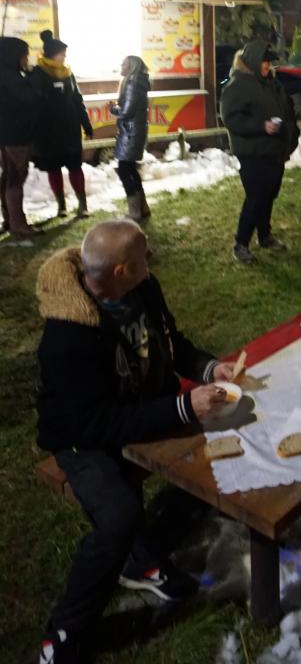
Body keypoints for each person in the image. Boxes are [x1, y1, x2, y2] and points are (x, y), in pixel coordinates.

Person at [36, 219, 236, 664]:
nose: (154, 257)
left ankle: (141, 561)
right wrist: (181, 409)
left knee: (230, 439)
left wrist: (207, 368)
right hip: (82, 435)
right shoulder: (67, 336)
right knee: (119, 517)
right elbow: (94, 421)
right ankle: (64, 632)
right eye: (145, 254)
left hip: (139, 407)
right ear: (122, 270)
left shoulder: (143, 287)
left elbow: (171, 341)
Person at [219, 39, 299, 264]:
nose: (268, 65)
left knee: (269, 194)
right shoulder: (238, 85)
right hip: (253, 151)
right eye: (264, 61)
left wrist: (290, 133)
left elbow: (286, 109)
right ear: (253, 61)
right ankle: (241, 244)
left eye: (269, 62)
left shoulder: (270, 82)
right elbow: (231, 118)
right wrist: (261, 126)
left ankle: (265, 236)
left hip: (274, 149)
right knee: (256, 198)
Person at [32, 29, 93, 219]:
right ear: (52, 54)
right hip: (48, 131)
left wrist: (86, 123)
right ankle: (61, 206)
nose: (65, 56)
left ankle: (83, 205)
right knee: (54, 168)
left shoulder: (68, 72)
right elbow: (32, 103)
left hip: (70, 129)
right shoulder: (37, 73)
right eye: (62, 53)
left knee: (75, 167)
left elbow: (77, 100)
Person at [0, 36, 41, 238]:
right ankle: (18, 224)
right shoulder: (12, 77)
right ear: (14, 56)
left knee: (8, 177)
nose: (27, 59)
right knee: (16, 179)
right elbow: (30, 98)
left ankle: (9, 220)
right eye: (25, 54)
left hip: (5, 135)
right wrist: (34, 77)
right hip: (16, 135)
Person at [110, 55, 151, 222]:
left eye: (124, 64)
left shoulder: (132, 84)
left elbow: (126, 112)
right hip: (134, 131)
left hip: (130, 133)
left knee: (125, 171)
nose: (121, 66)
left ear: (132, 67)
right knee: (131, 169)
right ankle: (143, 208)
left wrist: (113, 109)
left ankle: (135, 212)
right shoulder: (138, 82)